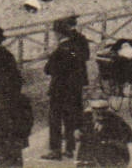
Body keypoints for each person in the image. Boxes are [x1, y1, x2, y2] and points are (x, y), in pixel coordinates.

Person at [0, 25, 29, 165]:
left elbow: (0, 84)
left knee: (3, 143)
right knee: (10, 144)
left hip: (2, 106)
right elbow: (16, 80)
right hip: (9, 105)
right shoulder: (6, 55)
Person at [44, 17, 89, 161]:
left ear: (58, 34)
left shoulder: (60, 50)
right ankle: (70, 149)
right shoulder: (75, 47)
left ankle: (55, 150)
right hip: (72, 88)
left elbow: (48, 69)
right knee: (69, 118)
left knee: (55, 120)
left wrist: (50, 57)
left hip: (59, 89)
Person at [77, 97, 132, 167]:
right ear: (92, 110)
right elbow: (80, 133)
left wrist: (113, 141)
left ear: (107, 110)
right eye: (96, 111)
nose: (99, 114)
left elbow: (130, 136)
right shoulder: (87, 118)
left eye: (102, 111)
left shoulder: (116, 120)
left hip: (111, 155)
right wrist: (79, 134)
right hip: (92, 155)